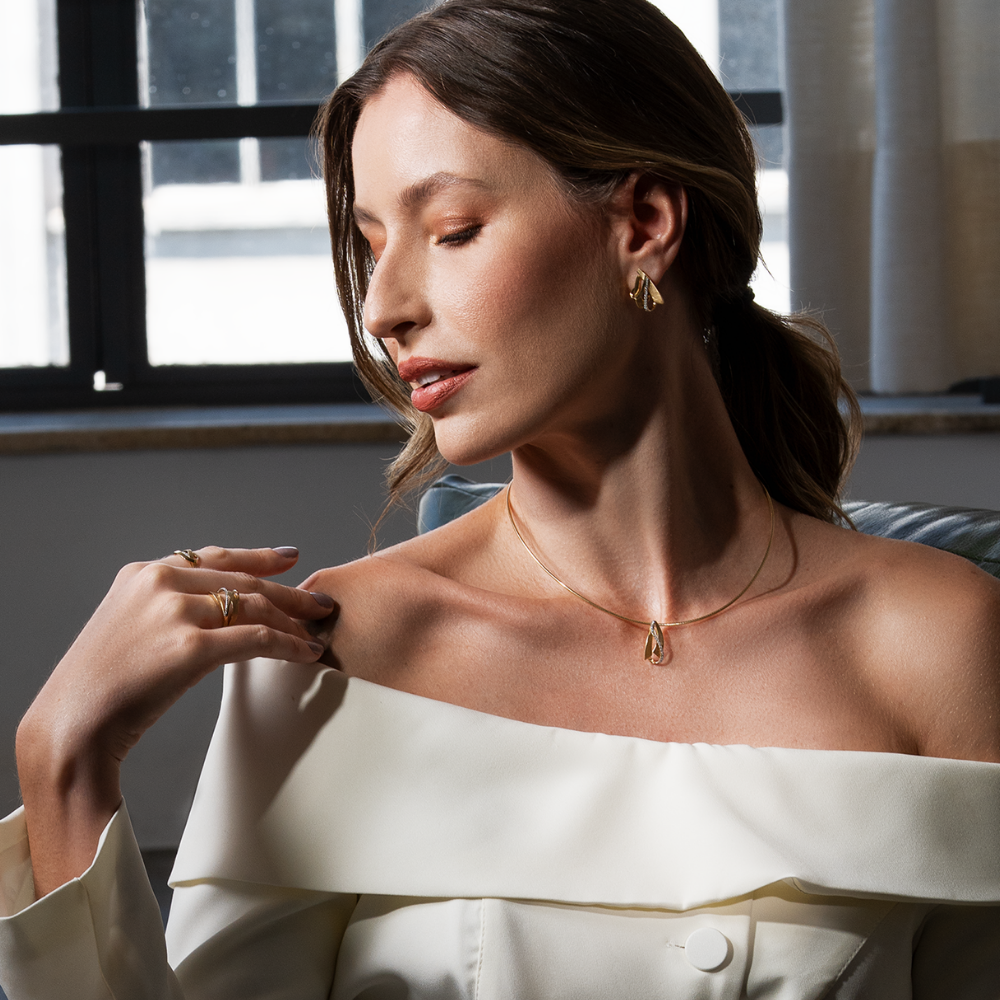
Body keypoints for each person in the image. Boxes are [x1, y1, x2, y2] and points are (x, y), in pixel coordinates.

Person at [2, 0, 999, 996]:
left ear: (643, 224)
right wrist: (63, 760)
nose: (383, 307)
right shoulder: (340, 651)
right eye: (371, 244)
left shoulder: (935, 640)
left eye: (453, 230)